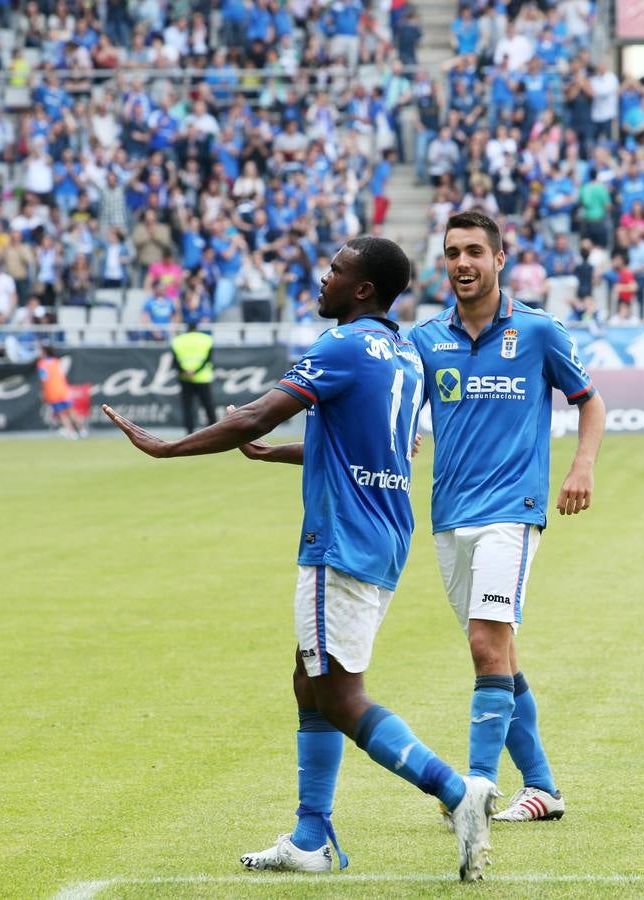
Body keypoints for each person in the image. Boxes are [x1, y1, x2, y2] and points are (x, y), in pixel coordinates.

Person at [102, 235, 498, 881]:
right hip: (383, 533)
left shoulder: (340, 345)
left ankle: (457, 793)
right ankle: (311, 838)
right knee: (307, 678)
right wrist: (283, 453)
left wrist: (169, 448)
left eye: (336, 269)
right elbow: (373, 450)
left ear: (362, 289)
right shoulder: (400, 354)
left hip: (339, 539)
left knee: (340, 696)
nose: (323, 278)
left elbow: (256, 414)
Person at [409, 210, 606, 825]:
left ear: (500, 259)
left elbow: (589, 401)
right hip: (449, 515)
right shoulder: (425, 338)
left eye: (474, 251)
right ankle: (543, 786)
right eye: (452, 252)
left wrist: (582, 466)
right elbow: (404, 408)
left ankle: (477, 790)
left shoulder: (540, 332)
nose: (462, 263)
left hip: (512, 511)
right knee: (500, 653)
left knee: (484, 642)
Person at [170, 319, 216, 434]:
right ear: (197, 328)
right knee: (208, 406)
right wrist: (196, 371)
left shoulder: (177, 340)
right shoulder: (207, 339)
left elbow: (175, 362)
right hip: (202, 378)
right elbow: (208, 360)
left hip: (185, 378)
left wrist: (185, 371)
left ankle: (189, 433)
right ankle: (215, 431)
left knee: (187, 407)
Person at [37, 346, 86, 438]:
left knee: (62, 414)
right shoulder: (56, 361)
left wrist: (43, 392)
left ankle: (71, 433)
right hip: (63, 390)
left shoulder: (42, 364)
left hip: (52, 391)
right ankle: (82, 430)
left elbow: (44, 379)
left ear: (44, 352)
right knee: (72, 412)